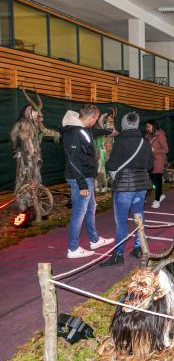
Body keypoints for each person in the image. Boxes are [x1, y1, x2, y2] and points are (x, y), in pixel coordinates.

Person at [100, 112, 153, 267]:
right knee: (139, 217)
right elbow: (150, 166)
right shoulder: (145, 143)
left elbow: (111, 165)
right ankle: (139, 248)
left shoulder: (120, 141)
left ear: (123, 124)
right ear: (137, 125)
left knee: (121, 221)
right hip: (141, 185)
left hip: (124, 186)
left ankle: (118, 254)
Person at [62, 104, 113, 258]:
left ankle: (94, 239)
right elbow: (73, 160)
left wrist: (107, 131)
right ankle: (73, 248)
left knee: (91, 208)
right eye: (96, 119)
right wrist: (82, 184)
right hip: (80, 178)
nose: (95, 122)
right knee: (79, 212)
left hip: (86, 177)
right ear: (91, 118)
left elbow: (91, 132)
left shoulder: (82, 128)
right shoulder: (73, 133)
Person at [145, 119, 169, 209]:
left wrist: (155, 151)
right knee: (152, 180)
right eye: (146, 126)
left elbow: (166, 150)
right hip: (150, 161)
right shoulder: (147, 135)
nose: (147, 128)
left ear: (153, 126)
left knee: (157, 180)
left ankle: (157, 200)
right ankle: (161, 194)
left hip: (159, 161)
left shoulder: (161, 135)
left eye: (149, 126)